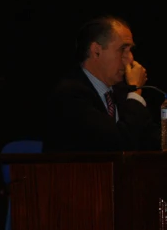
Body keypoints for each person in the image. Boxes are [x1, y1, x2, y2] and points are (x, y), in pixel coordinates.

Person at [43, 16, 159, 152]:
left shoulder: (121, 92)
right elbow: (117, 145)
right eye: (123, 49)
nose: (130, 59)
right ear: (96, 51)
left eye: (131, 50)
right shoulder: (70, 95)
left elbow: (152, 141)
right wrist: (135, 92)